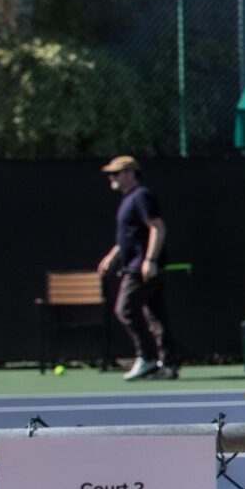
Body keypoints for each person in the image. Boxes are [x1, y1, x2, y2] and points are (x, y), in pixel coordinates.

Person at [98, 155, 177, 379]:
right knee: (156, 316)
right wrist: (113, 256)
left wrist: (150, 260)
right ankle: (168, 365)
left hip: (142, 268)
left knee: (125, 310)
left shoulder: (142, 195)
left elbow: (157, 227)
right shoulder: (129, 199)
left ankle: (147, 358)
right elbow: (130, 236)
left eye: (116, 173)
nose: (111, 178)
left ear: (130, 173)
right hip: (137, 264)